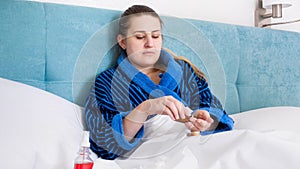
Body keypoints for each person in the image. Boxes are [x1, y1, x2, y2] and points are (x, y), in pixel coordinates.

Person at [84, 4, 234, 160]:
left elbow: (214, 110)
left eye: (155, 36)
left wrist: (204, 122)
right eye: (140, 37)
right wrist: (145, 109)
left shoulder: (183, 71)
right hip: (153, 154)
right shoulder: (106, 83)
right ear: (122, 42)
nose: (150, 43)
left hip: (196, 143)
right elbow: (103, 141)